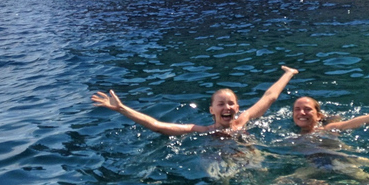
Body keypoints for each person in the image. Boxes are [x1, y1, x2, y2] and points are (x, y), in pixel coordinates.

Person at [91, 65, 299, 136]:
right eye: (221, 104)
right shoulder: (201, 130)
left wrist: (288, 74)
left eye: (230, 104)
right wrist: (121, 109)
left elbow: (269, 97)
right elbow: (156, 125)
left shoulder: (243, 119)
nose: (226, 107)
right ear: (211, 110)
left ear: (237, 107)